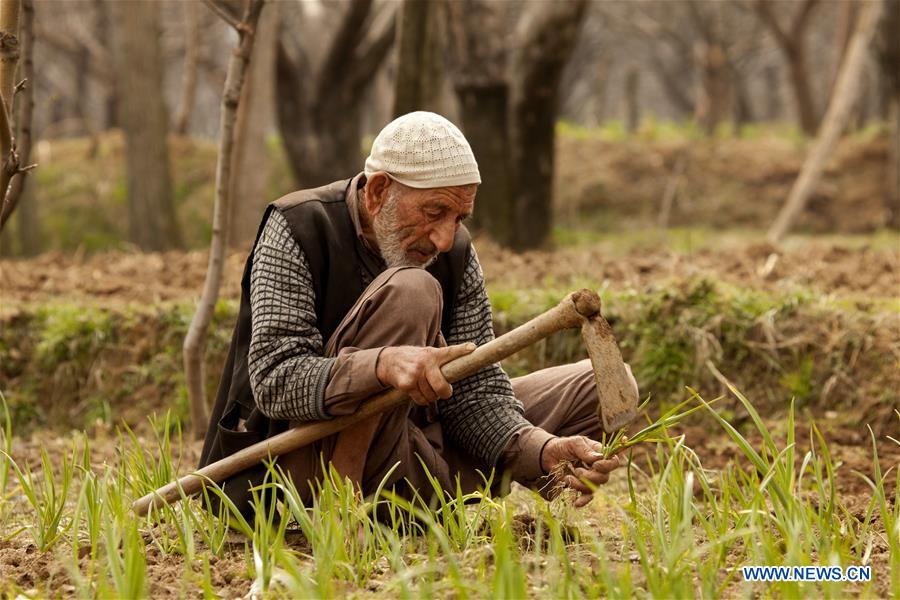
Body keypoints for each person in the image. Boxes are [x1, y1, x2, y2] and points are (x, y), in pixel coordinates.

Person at [199, 112, 636, 519]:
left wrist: (542, 450)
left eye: (459, 217)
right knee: (413, 290)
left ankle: (421, 506)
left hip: (407, 444)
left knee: (590, 386)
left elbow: (475, 390)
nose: (445, 238)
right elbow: (276, 381)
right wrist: (382, 365)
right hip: (286, 473)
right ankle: (339, 516)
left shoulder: (455, 253)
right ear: (377, 192)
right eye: (434, 213)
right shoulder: (297, 227)